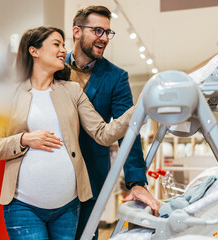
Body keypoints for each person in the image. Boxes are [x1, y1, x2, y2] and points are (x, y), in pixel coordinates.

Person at [0, 26, 136, 240]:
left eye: (63, 45)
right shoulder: (9, 93)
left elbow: (103, 133)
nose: (63, 50)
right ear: (34, 51)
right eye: (56, 44)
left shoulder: (72, 90)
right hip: (22, 206)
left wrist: (139, 109)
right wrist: (23, 138)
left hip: (68, 207)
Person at [66, 6, 161, 239]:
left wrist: (136, 181)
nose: (105, 38)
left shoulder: (116, 76)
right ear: (77, 31)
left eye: (108, 32)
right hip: (53, 170)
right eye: (98, 30)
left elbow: (128, 129)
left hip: (92, 174)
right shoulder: (55, 68)